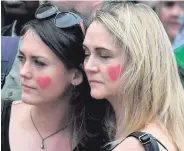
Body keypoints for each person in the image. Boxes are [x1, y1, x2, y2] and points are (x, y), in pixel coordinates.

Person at [1, 3, 106, 151]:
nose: (24, 72)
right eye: (22, 58)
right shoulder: (2, 117)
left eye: (39, 63)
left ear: (75, 75)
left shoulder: (99, 137)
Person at [83, 1, 184, 151]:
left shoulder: (135, 146)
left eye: (104, 55)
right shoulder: (165, 130)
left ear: (139, 62)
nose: (89, 66)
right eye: (86, 53)